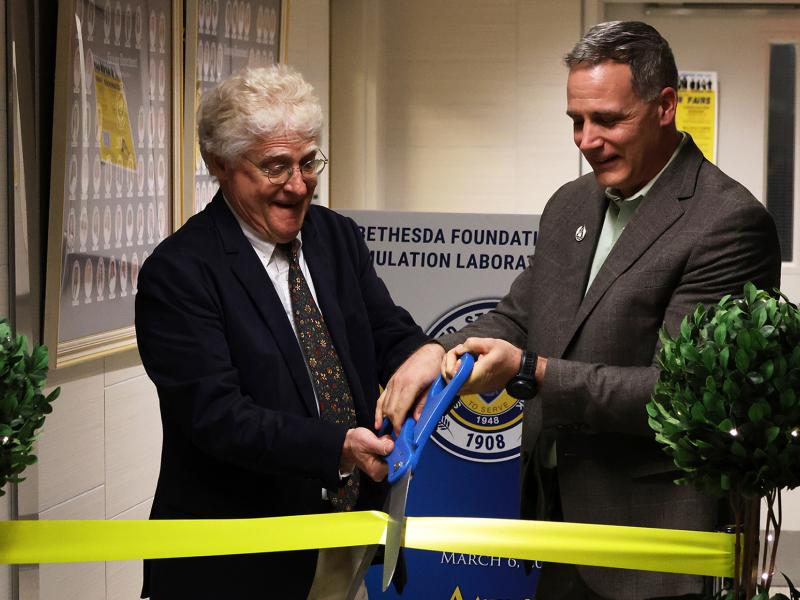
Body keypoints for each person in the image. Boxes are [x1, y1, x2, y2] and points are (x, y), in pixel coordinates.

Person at [377, 21, 781, 600]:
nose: (585, 140)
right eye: (576, 121)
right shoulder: (571, 203)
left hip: (653, 546)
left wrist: (532, 373)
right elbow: (519, 314)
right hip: (557, 526)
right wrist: (437, 352)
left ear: (666, 105)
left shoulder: (728, 222)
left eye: (608, 120)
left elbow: (682, 398)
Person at [135, 65, 433, 600]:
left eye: (308, 162)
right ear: (220, 166)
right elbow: (217, 416)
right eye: (276, 167)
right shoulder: (179, 272)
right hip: (242, 567)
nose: (298, 186)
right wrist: (337, 447)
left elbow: (388, 330)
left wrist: (424, 353)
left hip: (348, 540)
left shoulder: (335, 237)